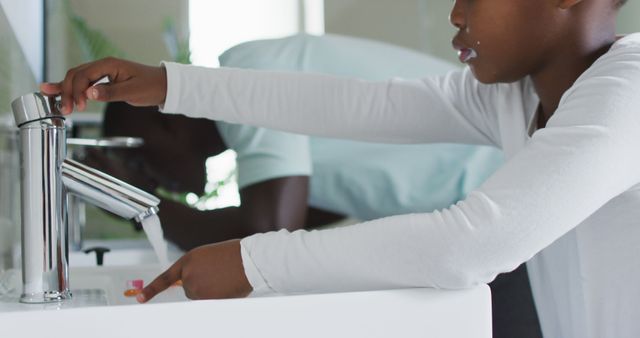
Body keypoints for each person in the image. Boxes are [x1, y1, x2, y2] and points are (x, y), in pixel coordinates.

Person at [42, 0, 640, 337]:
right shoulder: (515, 96)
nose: (456, 13)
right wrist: (166, 83)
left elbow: (466, 245)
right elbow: (360, 104)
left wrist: (255, 262)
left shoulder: (630, 88)